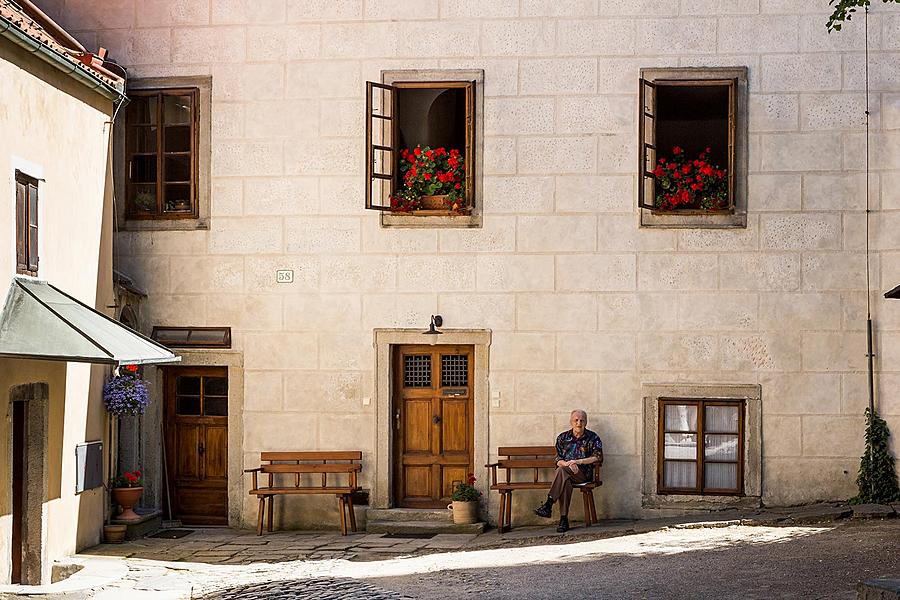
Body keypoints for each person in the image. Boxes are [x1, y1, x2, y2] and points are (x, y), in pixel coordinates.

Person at [533, 409, 603, 532]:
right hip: (565, 473)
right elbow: (557, 459)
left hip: (583, 474)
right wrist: (567, 464)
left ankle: (549, 504)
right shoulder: (562, 437)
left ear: (586, 422)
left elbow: (597, 457)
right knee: (564, 479)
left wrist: (578, 462)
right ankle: (563, 520)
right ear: (571, 422)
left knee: (562, 472)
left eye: (582, 420)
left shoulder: (593, 437)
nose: (579, 423)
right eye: (576, 420)